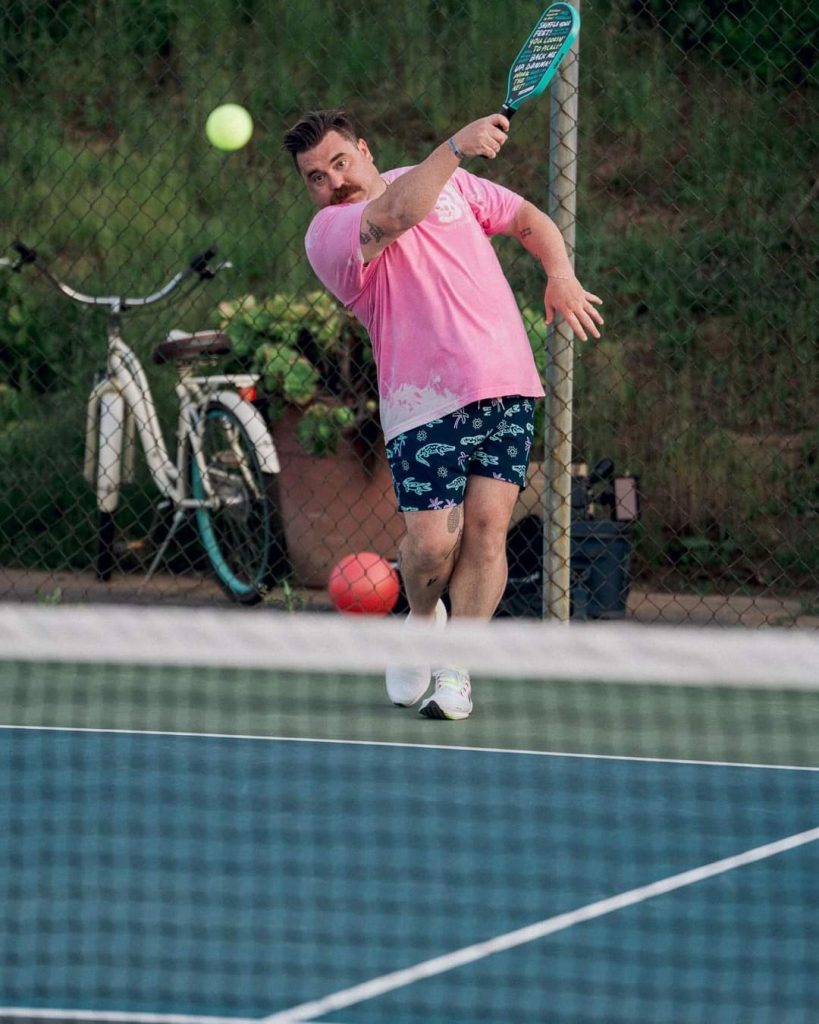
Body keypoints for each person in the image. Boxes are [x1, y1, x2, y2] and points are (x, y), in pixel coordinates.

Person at [283, 109, 603, 720]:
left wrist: (559, 273)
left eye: (340, 162)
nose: (333, 181)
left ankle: (457, 671)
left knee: (487, 530)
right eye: (316, 177)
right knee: (430, 548)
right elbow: (399, 213)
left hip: (505, 384)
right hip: (420, 402)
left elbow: (526, 219)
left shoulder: (447, 181)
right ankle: (422, 619)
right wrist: (456, 144)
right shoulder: (329, 233)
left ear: (365, 150)